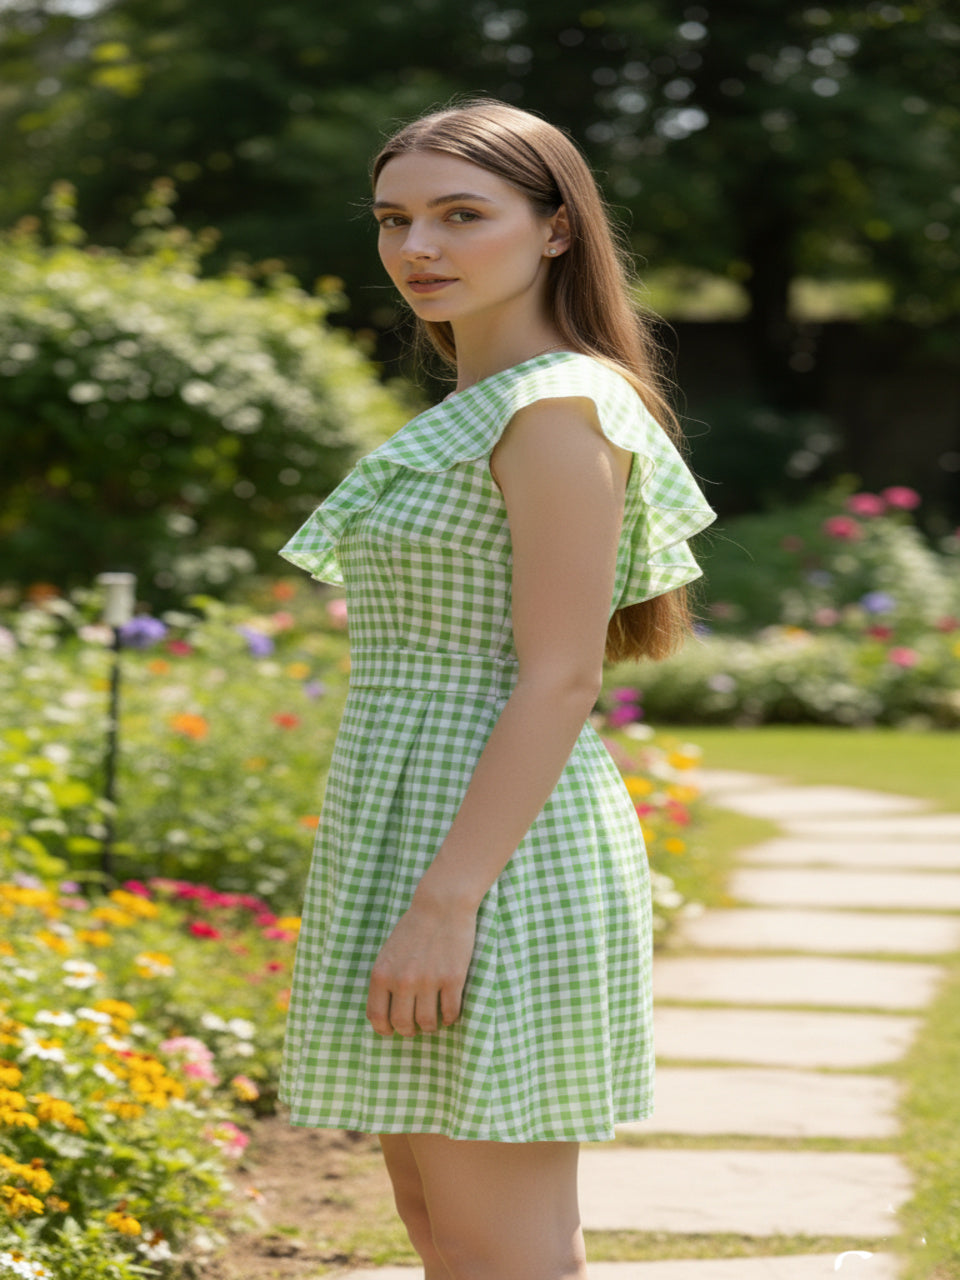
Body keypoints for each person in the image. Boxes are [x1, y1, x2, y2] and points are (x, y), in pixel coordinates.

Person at [279, 98, 716, 1280]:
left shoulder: (555, 408)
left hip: (494, 853)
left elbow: (564, 673)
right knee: (444, 1230)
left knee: (499, 1248)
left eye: (461, 215)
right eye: (395, 218)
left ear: (557, 228)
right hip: (416, 824)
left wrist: (448, 899)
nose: (418, 248)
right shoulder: (480, 405)